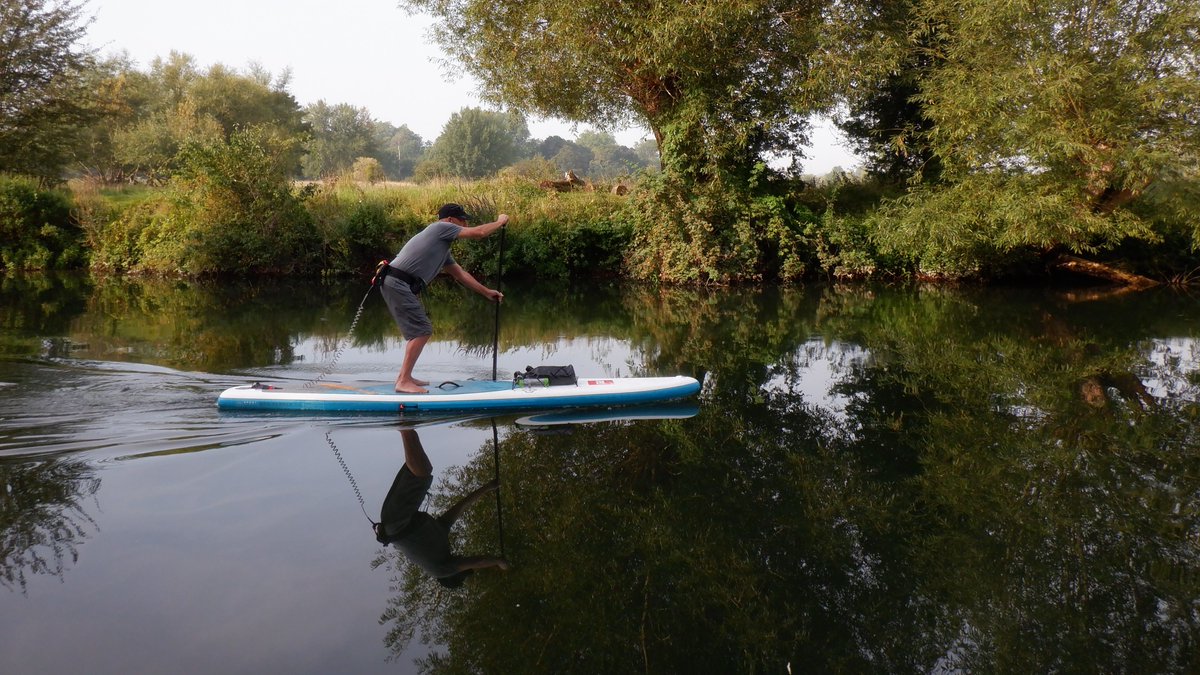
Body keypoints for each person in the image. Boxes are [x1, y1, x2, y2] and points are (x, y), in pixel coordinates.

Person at [382, 203, 507, 393]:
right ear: (449, 220)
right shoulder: (440, 228)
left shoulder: (442, 247)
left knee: (419, 330)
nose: (465, 224)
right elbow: (480, 232)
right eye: (462, 220)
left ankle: (404, 377)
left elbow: (460, 274)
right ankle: (403, 381)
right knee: (422, 330)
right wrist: (500, 221)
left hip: (398, 283)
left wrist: (486, 291)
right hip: (397, 282)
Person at [374, 426, 510, 588]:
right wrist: (488, 487)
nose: (462, 560)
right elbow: (462, 506)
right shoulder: (440, 542)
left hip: (398, 523)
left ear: (453, 574)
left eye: (462, 569)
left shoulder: (441, 571)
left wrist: (499, 562)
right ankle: (405, 426)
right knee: (420, 470)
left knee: (422, 472)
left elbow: (477, 561)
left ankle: (403, 425)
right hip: (395, 521)